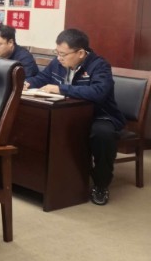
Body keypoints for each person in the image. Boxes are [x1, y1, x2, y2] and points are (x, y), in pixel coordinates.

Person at [24, 29, 125, 206]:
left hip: (99, 116)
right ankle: (45, 178)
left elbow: (99, 92)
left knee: (102, 134)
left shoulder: (99, 66)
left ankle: (101, 184)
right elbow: (42, 78)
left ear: (80, 53)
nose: (59, 58)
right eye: (57, 53)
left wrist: (61, 89)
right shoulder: (57, 63)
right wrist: (27, 83)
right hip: (67, 115)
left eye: (63, 54)